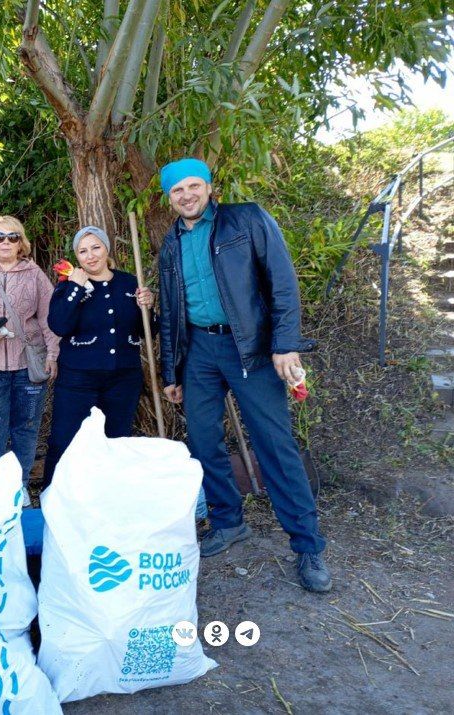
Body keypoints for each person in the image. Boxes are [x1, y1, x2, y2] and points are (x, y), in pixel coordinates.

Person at [156, 157, 330, 593]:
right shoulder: (170, 243)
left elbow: (282, 282)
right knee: (201, 439)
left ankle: (307, 545)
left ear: (210, 187)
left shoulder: (246, 220)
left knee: (273, 442)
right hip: (198, 351)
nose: (187, 195)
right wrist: (172, 370)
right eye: (177, 190)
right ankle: (228, 521)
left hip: (248, 347)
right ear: (169, 198)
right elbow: (172, 313)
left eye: (194, 186)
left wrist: (284, 343)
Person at [42, 226, 154, 486]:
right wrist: (77, 289)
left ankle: (108, 498)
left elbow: (148, 330)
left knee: (115, 441)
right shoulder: (67, 286)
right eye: (83, 251)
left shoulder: (129, 283)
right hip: (78, 379)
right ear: (76, 256)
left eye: (96, 248)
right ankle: (51, 498)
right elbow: (59, 325)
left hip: (123, 378)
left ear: (106, 249)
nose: (90, 256)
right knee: (64, 440)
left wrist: (147, 308)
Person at [0, 216, 59, 502]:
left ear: (22, 242)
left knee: (26, 430)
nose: (6, 242)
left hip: (28, 365)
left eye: (12, 237)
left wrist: (53, 354)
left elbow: (48, 317)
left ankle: (18, 489)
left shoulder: (35, 275)